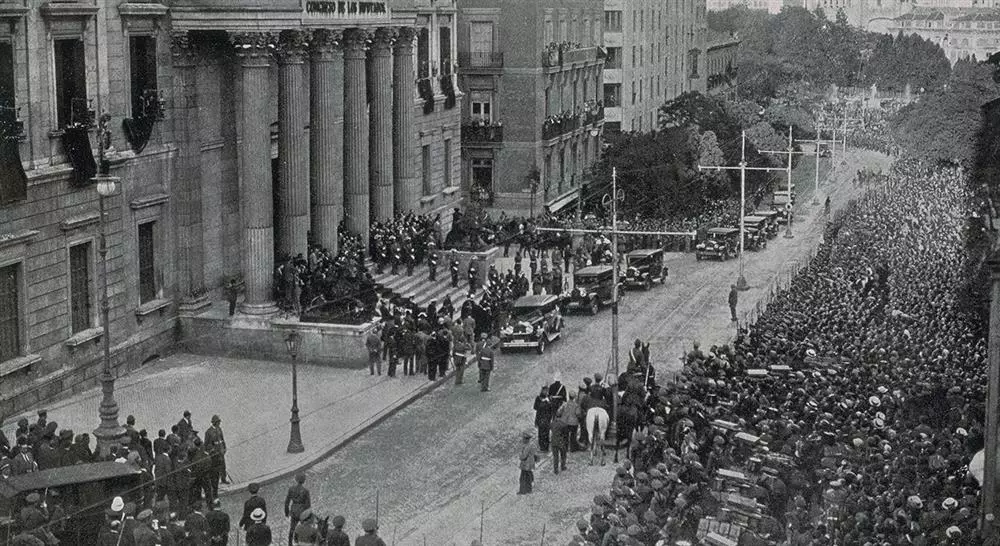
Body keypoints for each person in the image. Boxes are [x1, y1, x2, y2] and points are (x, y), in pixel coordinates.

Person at [283, 473, 311, 546]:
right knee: (304, 529)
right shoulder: (305, 491)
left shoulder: (291, 489)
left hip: (294, 511)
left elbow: (287, 502)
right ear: (304, 481)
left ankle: (290, 543)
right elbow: (308, 505)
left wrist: (286, 512)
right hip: (302, 512)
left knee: (292, 529)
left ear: (296, 480)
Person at [204, 415, 228, 491]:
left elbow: (222, 439)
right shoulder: (208, 432)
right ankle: (215, 483)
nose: (219, 423)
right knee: (215, 468)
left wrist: (224, 447)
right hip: (214, 453)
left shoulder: (219, 429)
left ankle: (223, 479)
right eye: (217, 422)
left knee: (223, 465)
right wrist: (211, 450)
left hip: (220, 451)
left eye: (219, 422)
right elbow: (206, 444)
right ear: (214, 422)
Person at [533, 387, 554, 452]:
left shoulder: (539, 399)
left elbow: (535, 407)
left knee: (542, 434)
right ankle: (545, 447)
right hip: (546, 419)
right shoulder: (548, 399)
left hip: (542, 419)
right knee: (545, 434)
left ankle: (543, 447)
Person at [518, 430, 538, 494]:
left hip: (526, 464)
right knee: (528, 477)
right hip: (530, 464)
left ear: (526, 439)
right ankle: (529, 489)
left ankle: (523, 491)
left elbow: (523, 456)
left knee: (523, 478)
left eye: (523, 438)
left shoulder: (527, 446)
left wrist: (520, 454)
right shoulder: (532, 445)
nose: (522, 440)